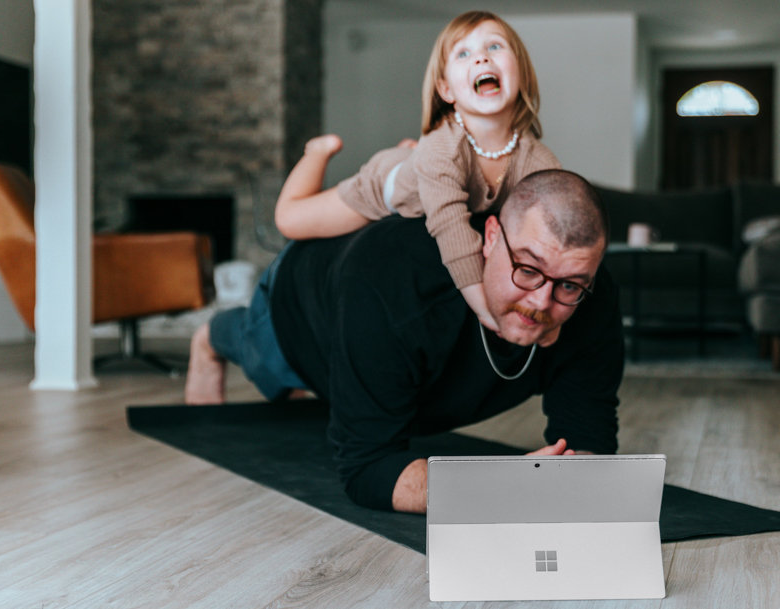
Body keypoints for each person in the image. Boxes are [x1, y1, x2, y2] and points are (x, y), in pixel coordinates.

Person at [185, 170, 624, 514]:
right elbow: (367, 469)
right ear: (490, 238)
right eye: (527, 269)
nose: (542, 302)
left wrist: (570, 478)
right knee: (264, 359)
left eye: (569, 285)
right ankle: (213, 336)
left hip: (395, 343)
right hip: (304, 304)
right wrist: (496, 487)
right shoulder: (391, 292)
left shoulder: (589, 297)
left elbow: (587, 437)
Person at [272, 10, 559, 334]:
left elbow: (556, 225)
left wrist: (550, 315)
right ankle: (318, 151)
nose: (481, 59)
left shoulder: (537, 157)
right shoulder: (442, 149)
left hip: (423, 165)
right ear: (446, 90)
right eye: (464, 53)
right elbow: (452, 230)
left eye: (494, 47)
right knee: (290, 220)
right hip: (383, 186)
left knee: (423, 162)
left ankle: (410, 154)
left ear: (520, 71)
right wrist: (486, 311)